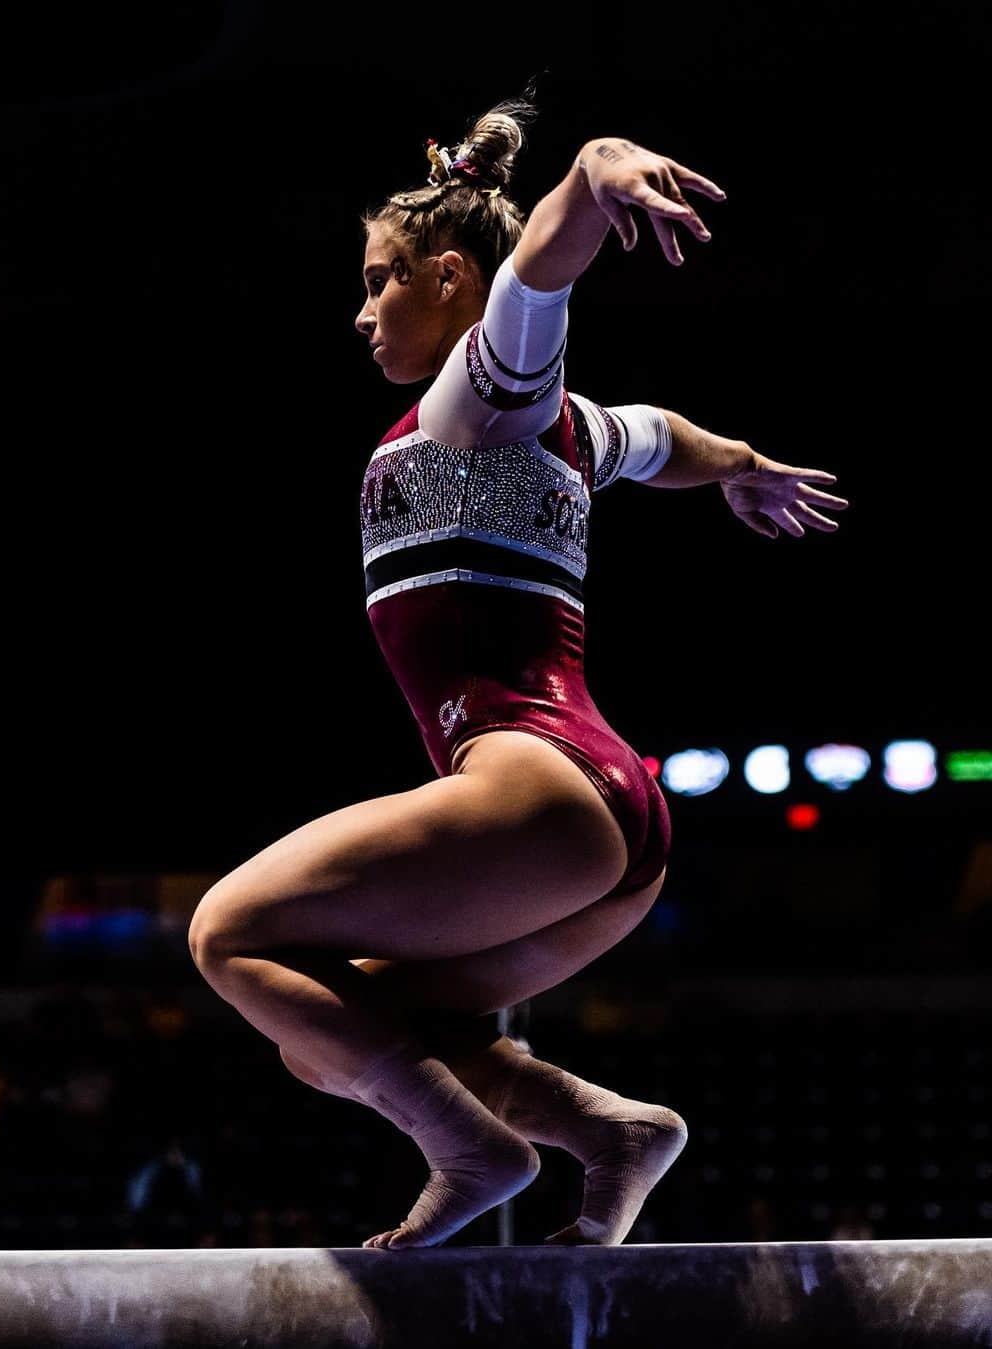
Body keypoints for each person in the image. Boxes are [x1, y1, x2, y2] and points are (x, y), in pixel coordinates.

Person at [188, 93, 848, 1251]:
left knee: (228, 935)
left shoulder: (478, 403)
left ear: (450, 278)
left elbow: (539, 276)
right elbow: (657, 436)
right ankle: (605, 1130)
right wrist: (740, 464)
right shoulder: (560, 428)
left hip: (535, 783)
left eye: (381, 277)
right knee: (332, 1028)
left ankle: (472, 1150)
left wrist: (596, 170)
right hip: (612, 820)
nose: (361, 310)